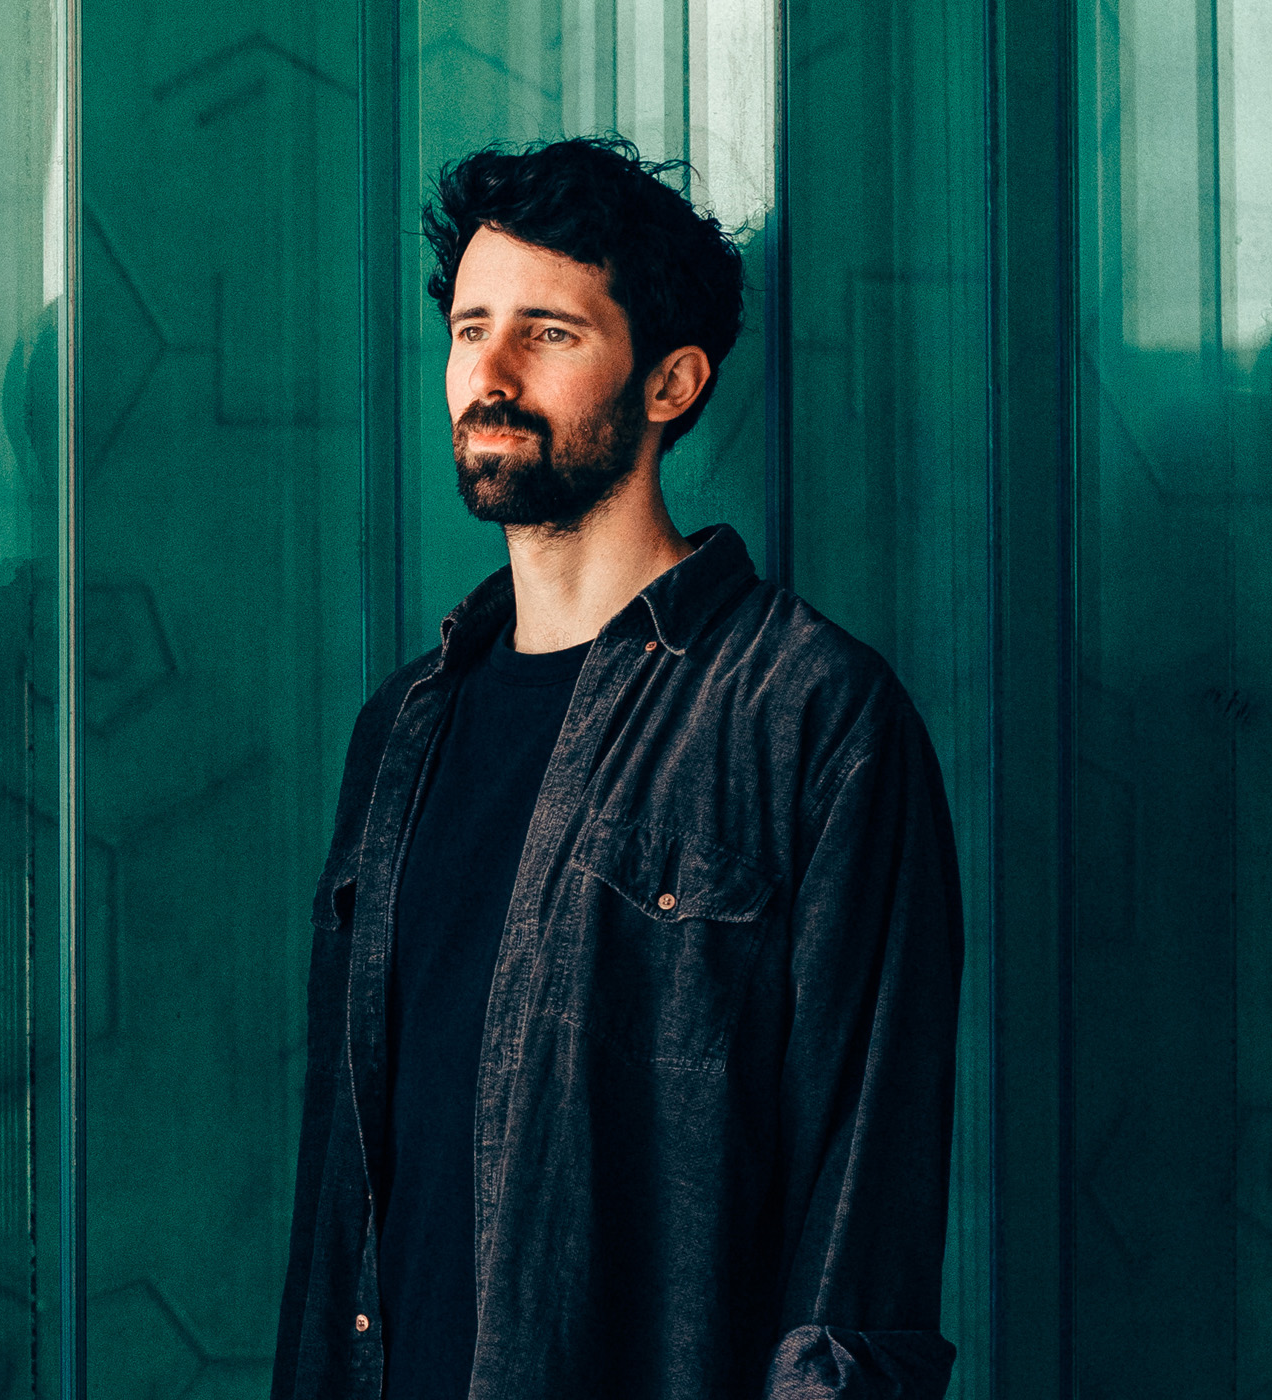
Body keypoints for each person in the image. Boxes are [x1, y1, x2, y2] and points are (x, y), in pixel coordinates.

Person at [274, 139, 964, 1400]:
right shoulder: (400, 729)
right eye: (469, 327)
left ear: (670, 382)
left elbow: (860, 1225)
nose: (484, 373)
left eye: (545, 333)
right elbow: (342, 1198)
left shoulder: (814, 717)